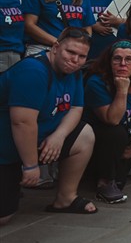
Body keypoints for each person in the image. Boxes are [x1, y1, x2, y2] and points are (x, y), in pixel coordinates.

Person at [0, 28, 97, 222]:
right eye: (70, 52)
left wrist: (59, 135)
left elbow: (76, 108)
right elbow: (22, 122)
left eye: (81, 56)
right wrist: (30, 166)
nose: (75, 60)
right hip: (6, 148)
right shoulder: (33, 71)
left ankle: (66, 199)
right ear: (55, 47)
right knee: (3, 217)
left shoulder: (74, 72)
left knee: (85, 135)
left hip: (40, 139)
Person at [84, 40, 131, 204]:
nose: (123, 64)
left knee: (120, 183)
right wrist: (122, 90)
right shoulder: (96, 82)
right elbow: (112, 119)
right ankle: (104, 182)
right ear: (109, 61)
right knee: (115, 132)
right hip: (100, 143)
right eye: (117, 59)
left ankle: (112, 178)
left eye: (128, 59)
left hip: (127, 142)